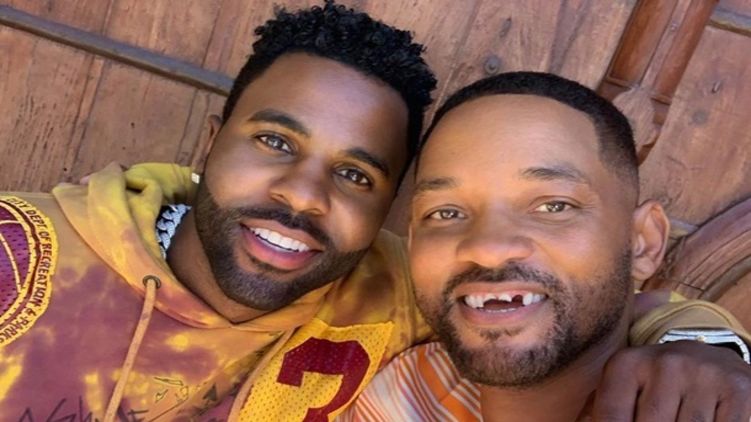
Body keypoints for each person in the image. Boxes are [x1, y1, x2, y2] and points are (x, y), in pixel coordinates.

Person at [0, 2, 747, 421]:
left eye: (356, 175)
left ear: (389, 209)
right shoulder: (23, 254)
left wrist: (708, 347)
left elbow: (588, 297)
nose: (303, 195)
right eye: (274, 141)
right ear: (212, 140)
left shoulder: (407, 293)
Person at [340, 72, 751, 422]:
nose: (488, 249)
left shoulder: (717, 404)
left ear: (642, 242)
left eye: (554, 206)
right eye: (446, 212)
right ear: (413, 244)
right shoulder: (405, 394)